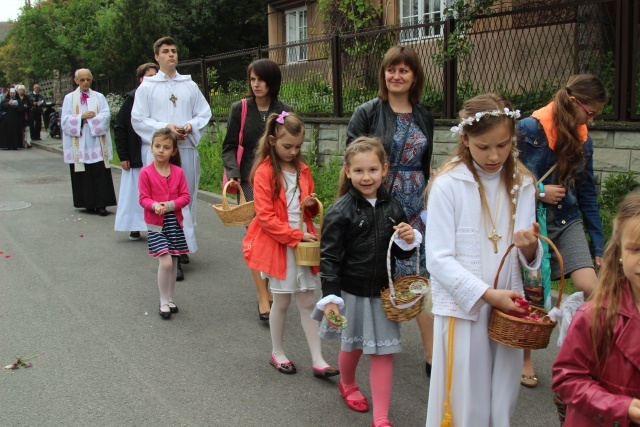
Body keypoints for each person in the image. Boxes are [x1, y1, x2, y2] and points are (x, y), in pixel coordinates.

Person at [424, 93, 542, 427]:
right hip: (466, 310)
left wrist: (530, 247)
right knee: (463, 401)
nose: (494, 156)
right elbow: (438, 259)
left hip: (507, 310)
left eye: (503, 146)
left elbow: (528, 256)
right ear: (465, 139)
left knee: (501, 400)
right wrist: (487, 295)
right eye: (483, 147)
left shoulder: (523, 183)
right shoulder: (448, 185)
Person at [315, 137, 422, 427]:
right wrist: (331, 298)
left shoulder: (394, 208)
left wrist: (408, 239)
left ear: (385, 170)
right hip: (351, 293)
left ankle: (382, 418)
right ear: (348, 171)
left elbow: (396, 252)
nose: (366, 177)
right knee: (353, 346)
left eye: (373, 170)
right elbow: (330, 259)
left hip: (382, 293)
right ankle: (347, 383)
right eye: (359, 171)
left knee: (383, 352)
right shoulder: (340, 211)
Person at [346, 45, 435, 376]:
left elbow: (425, 164)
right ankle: (373, 343)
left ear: (414, 77)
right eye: (391, 70)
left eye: (404, 70)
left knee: (419, 275)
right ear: (383, 74)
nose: (396, 76)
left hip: (416, 205)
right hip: (380, 202)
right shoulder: (367, 112)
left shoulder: (424, 115)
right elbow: (354, 163)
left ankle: (431, 354)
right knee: (380, 273)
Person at [517, 74, 607, 388]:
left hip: (568, 221)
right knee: (534, 296)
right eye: (590, 112)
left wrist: (599, 247)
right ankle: (525, 358)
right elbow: (512, 177)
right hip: (533, 222)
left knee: (591, 288)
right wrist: (540, 191)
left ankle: (580, 359)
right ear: (572, 101)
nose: (592, 121)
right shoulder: (529, 128)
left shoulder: (585, 140)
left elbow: (587, 195)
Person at [242, 111, 338, 378]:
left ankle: (318, 359)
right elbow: (265, 218)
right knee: (282, 302)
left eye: (298, 146)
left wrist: (308, 208)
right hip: (280, 245)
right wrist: (296, 236)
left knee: (307, 301)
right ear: (272, 140)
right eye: (287, 146)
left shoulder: (303, 169)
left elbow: (305, 212)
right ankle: (277, 352)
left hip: (302, 242)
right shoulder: (263, 172)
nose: (293, 151)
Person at [552, 191, 640, 426]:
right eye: (636, 249)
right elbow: (567, 379)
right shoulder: (595, 315)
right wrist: (621, 406)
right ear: (620, 252)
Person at [132, 36, 212, 281]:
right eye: (165, 51)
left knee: (184, 200)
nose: (171, 55)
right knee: (162, 202)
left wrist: (189, 125)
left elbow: (204, 113)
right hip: (159, 155)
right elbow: (138, 119)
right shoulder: (147, 87)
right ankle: (168, 252)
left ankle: (184, 244)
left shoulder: (189, 85)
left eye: (174, 51)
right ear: (156, 57)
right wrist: (166, 128)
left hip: (184, 150)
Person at [223, 58, 293, 321]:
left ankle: (273, 288)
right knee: (255, 237)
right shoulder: (240, 109)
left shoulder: (285, 110)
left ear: (272, 81)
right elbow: (229, 146)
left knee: (274, 236)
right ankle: (263, 296)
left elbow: (292, 144)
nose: (256, 84)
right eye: (252, 79)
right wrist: (233, 174)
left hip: (279, 183)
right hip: (250, 183)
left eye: (261, 79)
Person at [138, 128, 190, 320]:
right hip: (156, 224)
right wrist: (154, 205)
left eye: (166, 147)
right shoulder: (146, 173)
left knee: (174, 261)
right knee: (166, 262)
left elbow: (185, 196)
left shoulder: (178, 172)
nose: (161, 150)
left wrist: (169, 205)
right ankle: (162, 300)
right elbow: (143, 198)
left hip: (174, 223)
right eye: (157, 146)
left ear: (173, 151)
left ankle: (169, 298)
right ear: (151, 147)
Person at [61, 69, 117, 216]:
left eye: (88, 79)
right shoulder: (69, 98)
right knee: (83, 173)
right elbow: (65, 121)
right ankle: (88, 203)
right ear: (76, 81)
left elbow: (106, 115)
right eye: (82, 80)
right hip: (79, 140)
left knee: (99, 172)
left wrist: (92, 119)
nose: (86, 82)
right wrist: (81, 118)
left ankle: (102, 204)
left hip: (96, 141)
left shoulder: (99, 97)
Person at [114, 62, 159, 242]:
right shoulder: (131, 99)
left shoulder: (160, 98)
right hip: (136, 152)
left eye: (155, 76)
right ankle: (134, 225)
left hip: (157, 152)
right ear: (140, 79)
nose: (152, 80)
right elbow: (120, 127)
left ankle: (155, 225)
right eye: (148, 77)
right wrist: (123, 155)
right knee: (136, 191)